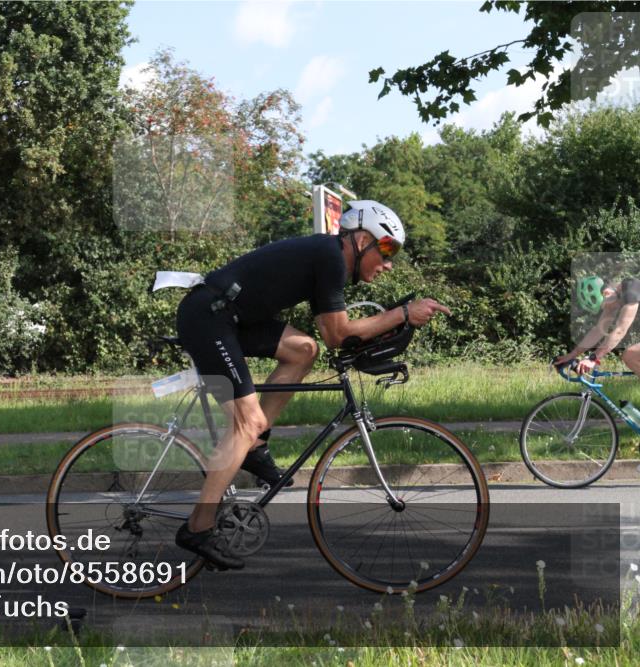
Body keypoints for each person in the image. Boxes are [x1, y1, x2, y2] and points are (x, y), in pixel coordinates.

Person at [173, 200, 452, 570]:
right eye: (386, 250)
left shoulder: (329, 260)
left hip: (230, 318)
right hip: (209, 318)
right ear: (362, 239)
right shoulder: (331, 257)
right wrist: (402, 314)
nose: (388, 263)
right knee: (246, 421)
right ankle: (199, 526)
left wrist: (394, 321)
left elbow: (328, 336)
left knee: (304, 350)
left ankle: (254, 447)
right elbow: (340, 334)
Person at [555, 275, 640, 376]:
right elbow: (598, 330)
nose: (606, 309)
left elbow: (619, 331)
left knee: (630, 355)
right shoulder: (613, 298)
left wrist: (593, 358)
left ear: (607, 293)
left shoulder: (632, 290)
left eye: (604, 305)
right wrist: (572, 354)